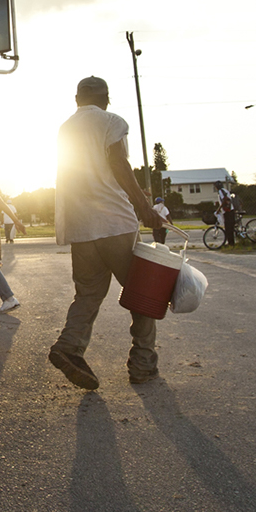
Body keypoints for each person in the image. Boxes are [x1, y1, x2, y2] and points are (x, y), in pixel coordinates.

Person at [49, 76, 165, 389]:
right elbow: (119, 164)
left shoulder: (65, 128)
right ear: (107, 98)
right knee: (143, 294)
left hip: (80, 227)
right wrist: (144, 207)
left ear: (76, 100)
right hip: (115, 223)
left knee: (87, 294)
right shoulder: (111, 121)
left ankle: (68, 347)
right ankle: (142, 364)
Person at [216, 182, 236, 246]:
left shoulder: (220, 191)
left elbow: (224, 200)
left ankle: (230, 243)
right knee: (231, 227)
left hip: (227, 211)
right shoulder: (225, 190)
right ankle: (231, 242)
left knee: (228, 227)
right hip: (231, 209)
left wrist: (219, 209)